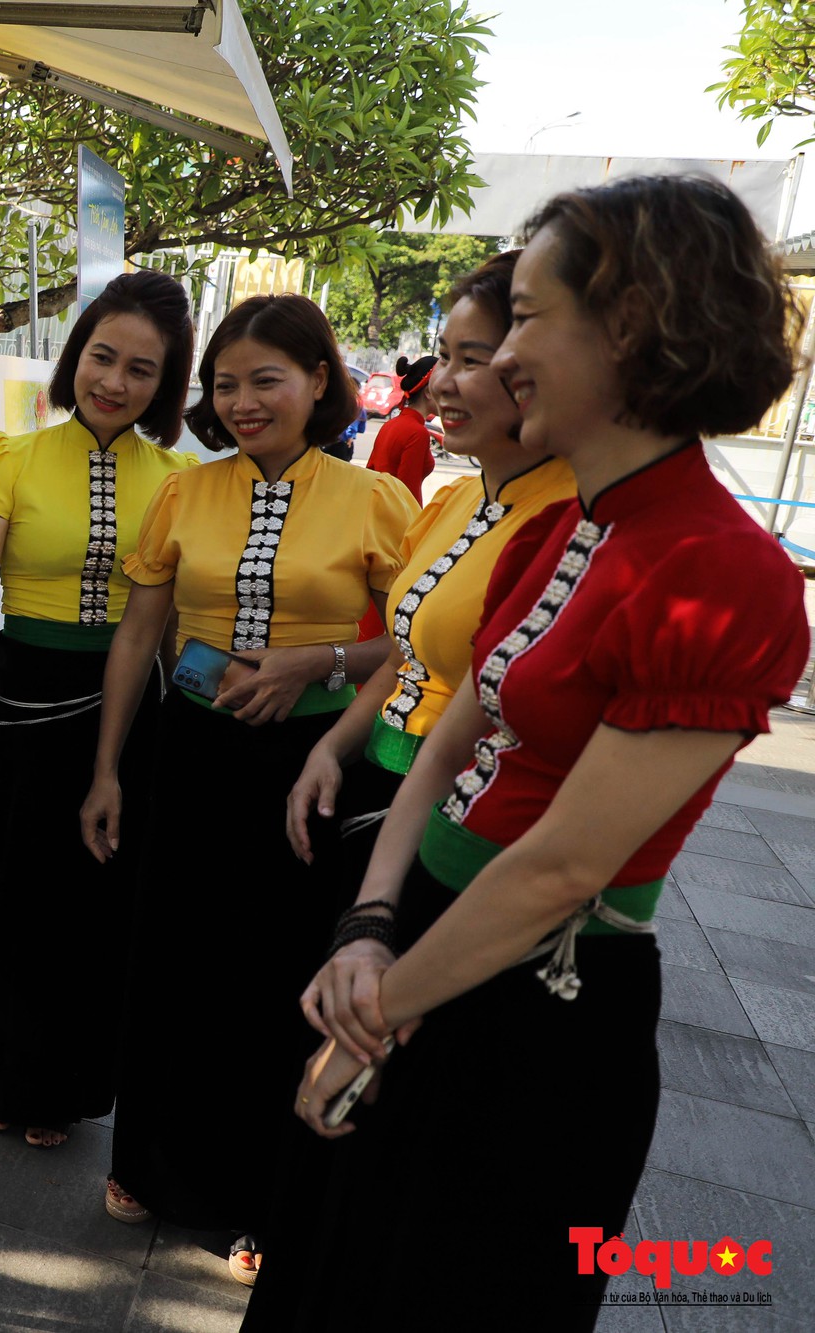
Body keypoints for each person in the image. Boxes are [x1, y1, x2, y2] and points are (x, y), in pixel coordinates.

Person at [252, 175, 809, 1330]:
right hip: (415, 959)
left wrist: (372, 1014)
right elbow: (448, 737)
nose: (498, 356)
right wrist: (366, 923)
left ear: (635, 326)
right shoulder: (562, 524)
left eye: (525, 317)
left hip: (533, 1015)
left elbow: (563, 866)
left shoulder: (722, 573)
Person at [79, 294, 417, 1282]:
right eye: (223, 384)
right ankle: (144, 1163)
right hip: (186, 752)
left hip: (306, 765)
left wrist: (316, 660)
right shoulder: (185, 492)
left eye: (264, 379)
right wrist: (105, 766)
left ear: (318, 381)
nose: (240, 402)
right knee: (168, 956)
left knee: (269, 972)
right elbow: (139, 633)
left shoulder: (377, 503)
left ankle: (251, 1197)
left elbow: (410, 640)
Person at [0, 271, 200, 1149]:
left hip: (137, 704)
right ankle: (9, 1077)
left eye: (142, 369)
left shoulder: (179, 479)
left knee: (107, 898)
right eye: (103, 356)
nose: (115, 381)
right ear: (76, 354)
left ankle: (80, 1081)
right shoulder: (7, 461)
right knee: (21, 894)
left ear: (165, 383)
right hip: (27, 695)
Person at [285, 250, 576, 893]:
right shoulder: (458, 500)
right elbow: (403, 656)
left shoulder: (573, 527)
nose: (443, 382)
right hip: (374, 775)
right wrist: (333, 748)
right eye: (445, 356)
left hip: (466, 816)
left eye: (472, 361)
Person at [366, 356, 437, 502]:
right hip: (397, 519)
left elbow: (370, 473)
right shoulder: (418, 432)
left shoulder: (390, 425)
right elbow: (408, 493)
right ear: (429, 392)